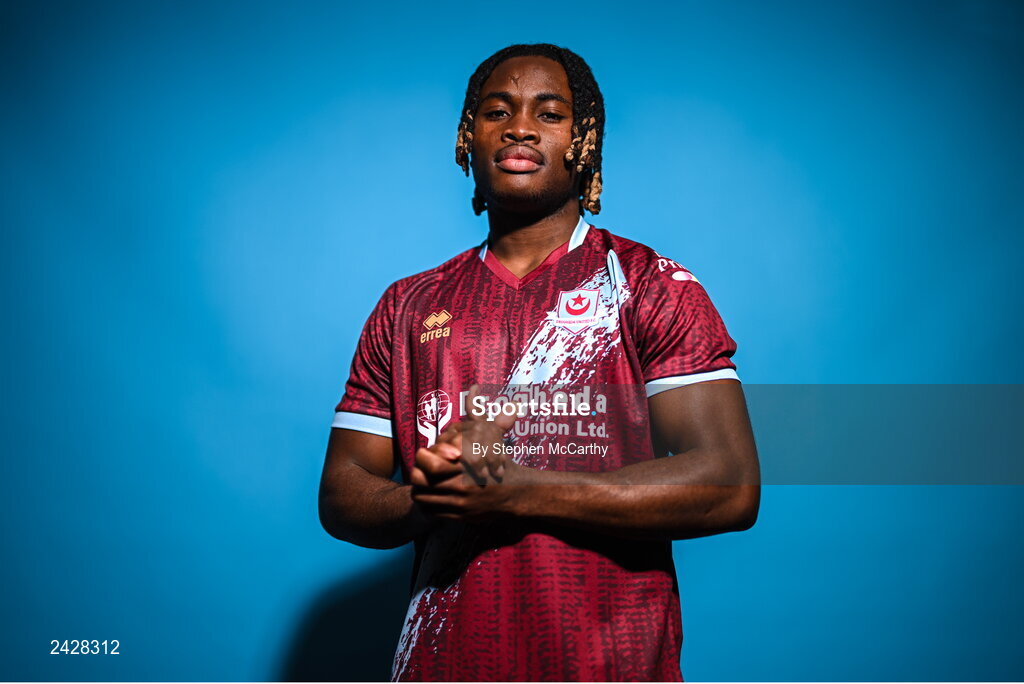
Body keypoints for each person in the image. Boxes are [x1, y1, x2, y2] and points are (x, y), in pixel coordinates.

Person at [319, 43, 760, 682]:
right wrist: (433, 500)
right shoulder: (409, 304)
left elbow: (730, 484)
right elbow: (342, 492)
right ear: (468, 138)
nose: (520, 127)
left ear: (584, 140)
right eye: (497, 111)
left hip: (611, 666)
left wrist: (524, 493)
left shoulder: (651, 285)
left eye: (549, 114)